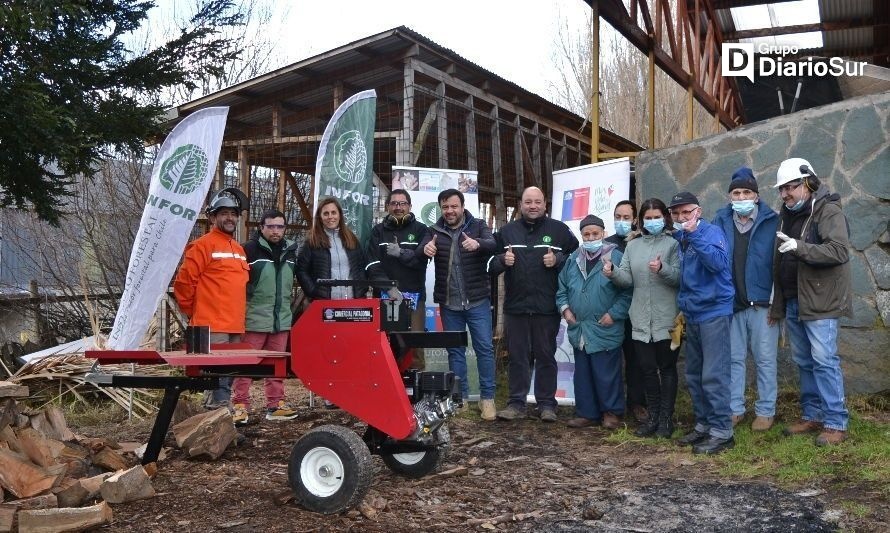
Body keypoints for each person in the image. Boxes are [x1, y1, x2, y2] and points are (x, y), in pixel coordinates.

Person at [770, 158, 851, 446]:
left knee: (824, 360)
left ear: (808, 183)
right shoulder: (786, 214)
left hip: (820, 301)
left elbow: (839, 251)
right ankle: (813, 414)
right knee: (804, 361)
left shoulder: (827, 211)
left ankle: (835, 421)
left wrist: (800, 248)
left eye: (790, 187)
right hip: (795, 300)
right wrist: (779, 303)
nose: (784, 194)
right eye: (782, 189)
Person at [488, 187, 578, 423]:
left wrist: (558, 259)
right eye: (528, 202)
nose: (533, 206)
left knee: (546, 356)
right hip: (515, 307)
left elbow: (577, 257)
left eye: (537, 202)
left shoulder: (559, 230)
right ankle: (516, 404)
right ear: (521, 205)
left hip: (546, 307)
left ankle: (547, 405)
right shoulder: (507, 232)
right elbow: (488, 263)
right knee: (518, 357)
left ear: (545, 204)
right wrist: (501, 260)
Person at [417, 189, 497, 420]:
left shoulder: (478, 225)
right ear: (441, 209)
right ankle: (458, 399)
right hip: (449, 303)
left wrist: (478, 244)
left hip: (478, 301)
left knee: (484, 349)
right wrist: (425, 249)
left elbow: (493, 244)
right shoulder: (434, 231)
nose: (450, 211)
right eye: (445, 207)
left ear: (462, 207)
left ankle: (487, 399)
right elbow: (419, 253)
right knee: (455, 352)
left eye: (454, 206)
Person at [604, 198, 681, 438]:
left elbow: (680, 278)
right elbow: (627, 279)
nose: (652, 221)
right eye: (648, 218)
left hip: (669, 319)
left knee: (667, 368)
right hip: (639, 319)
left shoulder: (673, 244)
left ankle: (666, 420)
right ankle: (653, 418)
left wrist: (662, 269)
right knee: (647, 369)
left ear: (664, 218)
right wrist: (613, 273)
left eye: (657, 216)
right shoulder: (632, 246)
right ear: (641, 220)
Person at [713, 168, 780, 432]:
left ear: (756, 195)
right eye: (736, 192)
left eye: (746, 192)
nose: (741, 196)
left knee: (765, 359)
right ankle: (734, 408)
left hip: (763, 303)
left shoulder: (772, 221)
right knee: (733, 359)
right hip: (732, 303)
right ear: (730, 196)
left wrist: (777, 302)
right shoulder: (720, 220)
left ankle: (765, 410)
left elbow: (779, 264)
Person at [669, 191, 735, 455]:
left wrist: (695, 234)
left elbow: (719, 264)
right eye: (677, 213)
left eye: (687, 212)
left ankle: (722, 432)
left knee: (714, 374)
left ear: (699, 210)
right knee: (694, 374)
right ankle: (704, 425)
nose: (682, 217)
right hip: (692, 312)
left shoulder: (710, 233)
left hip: (714, 311)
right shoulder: (681, 238)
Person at [173, 188, 249, 410]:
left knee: (228, 376)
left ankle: (220, 424)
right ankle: (215, 425)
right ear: (213, 217)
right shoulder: (202, 246)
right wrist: (195, 314)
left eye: (233, 213)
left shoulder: (238, 249)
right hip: (210, 326)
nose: (229, 218)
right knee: (217, 380)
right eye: (224, 213)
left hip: (235, 325)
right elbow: (184, 284)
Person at [557, 215, 631, 429]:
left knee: (606, 372)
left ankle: (611, 413)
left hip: (605, 326)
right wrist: (565, 310)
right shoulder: (573, 259)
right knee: (583, 373)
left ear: (603, 233)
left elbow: (627, 291)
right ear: (581, 236)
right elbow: (561, 289)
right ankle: (587, 413)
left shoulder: (616, 256)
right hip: (579, 327)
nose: (591, 238)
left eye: (595, 234)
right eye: (586, 235)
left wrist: (614, 314)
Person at [231, 209, 300, 426]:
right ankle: (240, 405)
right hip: (255, 317)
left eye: (280, 226)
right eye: (270, 226)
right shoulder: (249, 250)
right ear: (261, 228)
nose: (275, 231)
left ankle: (275, 404)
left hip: (281, 317)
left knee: (277, 364)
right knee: (246, 363)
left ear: (285, 229)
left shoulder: (291, 251)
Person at [365, 189, 429, 368]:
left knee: (414, 348)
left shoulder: (421, 230)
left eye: (402, 203)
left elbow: (421, 261)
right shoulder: (378, 231)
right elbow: (372, 264)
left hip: (414, 299)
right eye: (394, 203)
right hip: (386, 298)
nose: (398, 207)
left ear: (409, 206)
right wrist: (389, 287)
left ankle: (415, 393)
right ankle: (389, 390)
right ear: (387, 207)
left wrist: (401, 253)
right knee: (387, 346)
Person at [605, 200, 647, 423]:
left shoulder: (641, 243)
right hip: (611, 312)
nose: (621, 221)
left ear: (635, 220)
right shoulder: (605, 245)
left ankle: (637, 403)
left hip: (636, 312)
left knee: (636, 361)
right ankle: (612, 406)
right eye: (617, 217)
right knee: (611, 361)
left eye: (626, 217)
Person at [296, 197, 369, 301]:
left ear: (339, 215)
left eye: (333, 212)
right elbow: (301, 270)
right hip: (324, 304)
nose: (330, 217)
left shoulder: (352, 238)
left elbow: (361, 266)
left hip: (352, 301)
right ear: (320, 217)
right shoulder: (311, 241)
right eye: (326, 213)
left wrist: (361, 288)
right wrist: (313, 292)